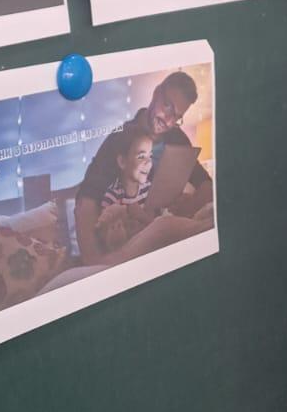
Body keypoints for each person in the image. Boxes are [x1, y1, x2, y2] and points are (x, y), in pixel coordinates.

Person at [74, 71, 214, 267]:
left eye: (177, 116)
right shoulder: (120, 139)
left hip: (165, 237)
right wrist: (94, 262)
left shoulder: (177, 138)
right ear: (156, 93)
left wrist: (187, 207)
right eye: (168, 106)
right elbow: (86, 199)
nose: (169, 121)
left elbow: (206, 184)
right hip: (126, 242)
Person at [93, 123, 155, 256]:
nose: (149, 162)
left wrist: (142, 216)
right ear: (122, 162)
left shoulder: (149, 188)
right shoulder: (112, 196)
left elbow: (155, 223)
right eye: (141, 156)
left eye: (150, 156)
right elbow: (109, 241)